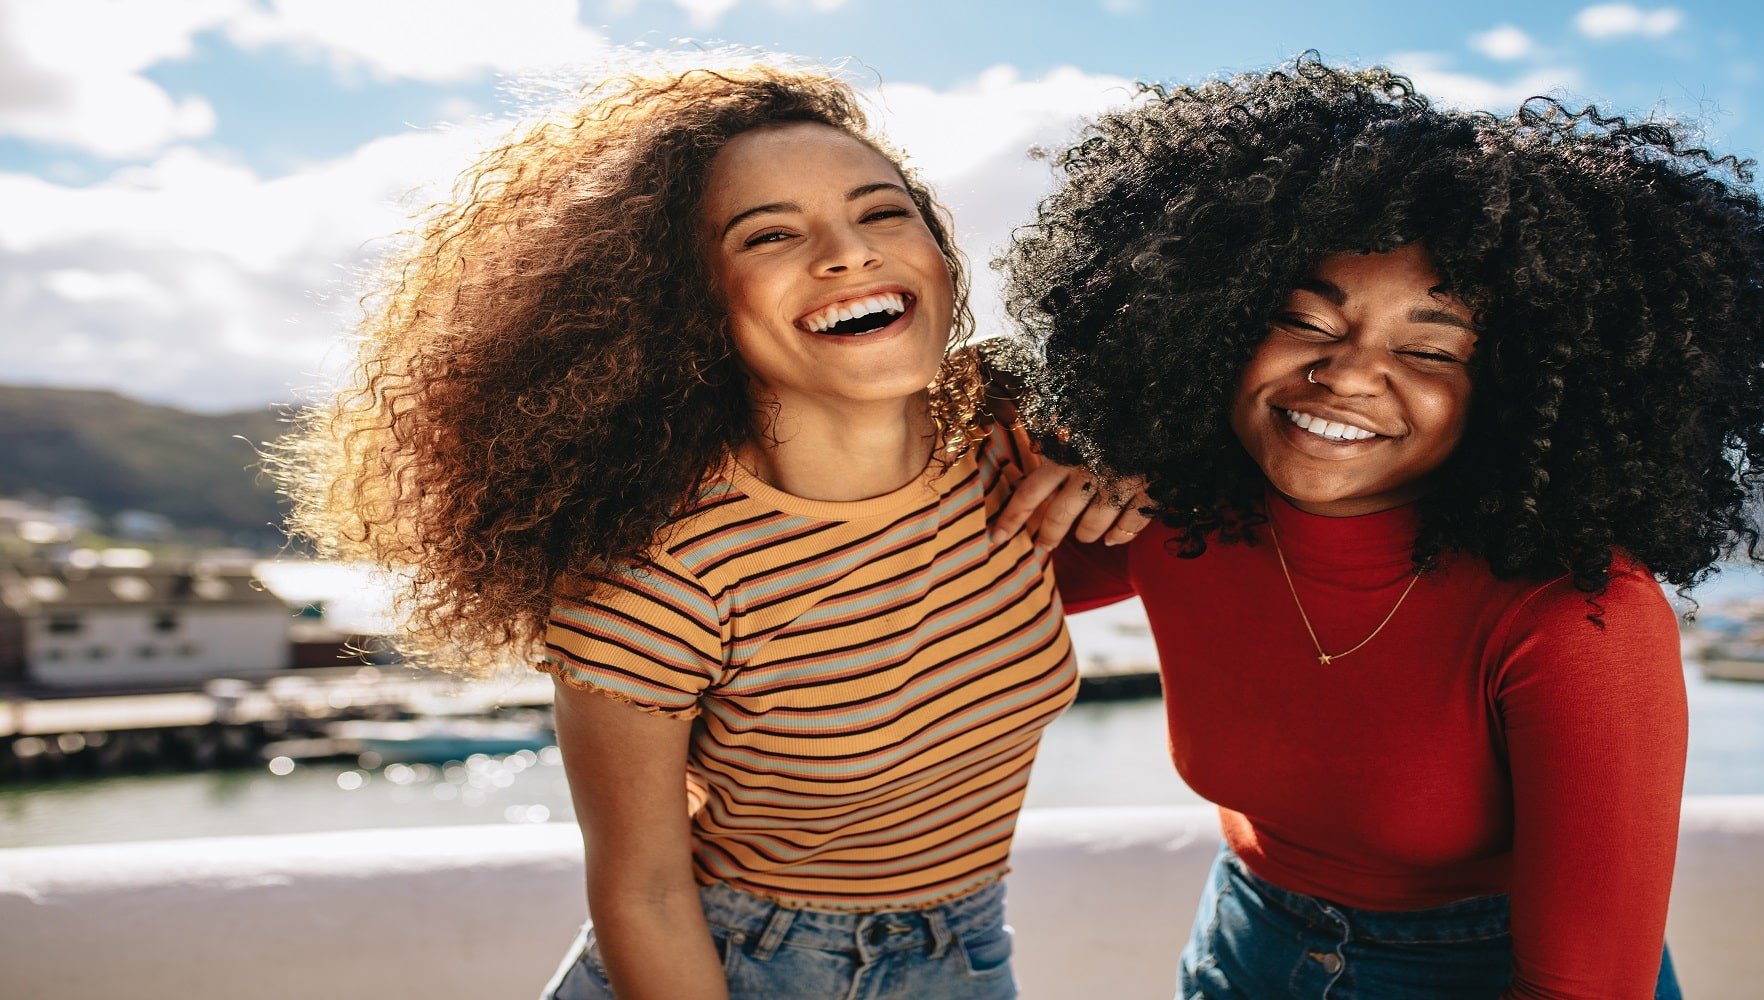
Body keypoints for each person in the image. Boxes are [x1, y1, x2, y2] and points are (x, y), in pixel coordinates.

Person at [276, 57, 1140, 1000]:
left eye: (884, 212)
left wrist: (1131, 465)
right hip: (747, 964)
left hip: (970, 952)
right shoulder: (658, 574)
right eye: (770, 235)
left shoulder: (1015, 426)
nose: (849, 254)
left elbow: (1229, 461)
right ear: (689, 302)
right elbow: (643, 895)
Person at [993, 55, 1764, 999]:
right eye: (1306, 322)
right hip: (1245, 942)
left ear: (1518, 393)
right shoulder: (1176, 513)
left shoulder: (1577, 618)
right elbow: (926, 565)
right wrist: (1065, 441)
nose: (1349, 374)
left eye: (1431, 350)